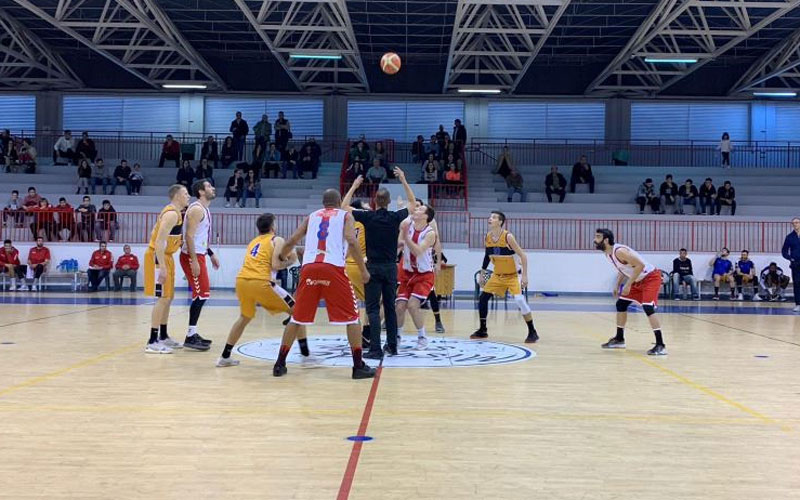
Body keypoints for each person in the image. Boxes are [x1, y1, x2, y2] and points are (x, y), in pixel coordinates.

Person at [271, 188, 374, 379]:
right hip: (333, 268)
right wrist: (363, 270)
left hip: (310, 268)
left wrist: (282, 255)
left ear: (323, 202)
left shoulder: (312, 216)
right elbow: (351, 240)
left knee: (297, 318)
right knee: (352, 318)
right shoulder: (345, 216)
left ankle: (279, 364)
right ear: (340, 201)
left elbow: (293, 239)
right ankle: (358, 365)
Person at [216, 213, 312, 368]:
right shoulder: (277, 239)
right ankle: (306, 356)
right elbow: (275, 265)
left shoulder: (253, 242)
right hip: (261, 282)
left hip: (242, 282)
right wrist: (291, 261)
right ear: (273, 226)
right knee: (298, 312)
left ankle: (225, 356)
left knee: (244, 318)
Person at [345, 168, 415, 358]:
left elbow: (344, 207)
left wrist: (354, 186)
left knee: (373, 309)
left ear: (375, 201)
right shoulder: (395, 217)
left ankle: (375, 349)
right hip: (391, 267)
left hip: (373, 267)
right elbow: (413, 203)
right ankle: (392, 346)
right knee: (390, 307)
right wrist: (403, 178)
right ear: (389, 202)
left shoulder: (368, 217)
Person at [595, 229, 666, 355]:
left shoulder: (620, 251)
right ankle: (619, 339)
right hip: (638, 279)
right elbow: (623, 269)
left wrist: (628, 285)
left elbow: (640, 266)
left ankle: (660, 345)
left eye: (598, 237)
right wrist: (617, 285)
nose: (595, 240)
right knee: (621, 304)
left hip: (650, 277)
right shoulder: (608, 253)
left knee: (648, 308)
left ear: (606, 240)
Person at [471, 211, 538, 343]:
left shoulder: (508, 237)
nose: (490, 219)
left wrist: (525, 276)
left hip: (513, 275)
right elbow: (487, 256)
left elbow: (523, 256)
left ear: (500, 222)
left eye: (494, 217)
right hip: (497, 275)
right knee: (483, 298)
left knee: (519, 300)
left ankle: (532, 331)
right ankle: (483, 329)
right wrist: (483, 273)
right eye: (490, 216)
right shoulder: (488, 237)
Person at [143, 184, 191, 353]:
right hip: (159, 257)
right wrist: (161, 266)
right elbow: (158, 241)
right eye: (185, 193)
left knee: (168, 297)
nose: (188, 196)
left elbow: (161, 236)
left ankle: (163, 336)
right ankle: (152, 340)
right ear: (176, 196)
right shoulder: (171, 214)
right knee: (162, 298)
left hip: (167, 256)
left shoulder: (176, 214)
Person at [179, 180, 220, 351]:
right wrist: (194, 260)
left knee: (203, 294)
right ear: (201, 192)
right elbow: (189, 237)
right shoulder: (196, 209)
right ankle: (190, 336)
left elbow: (199, 237)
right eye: (209, 186)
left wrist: (210, 254)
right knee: (200, 295)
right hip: (191, 256)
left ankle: (192, 333)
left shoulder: (204, 209)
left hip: (199, 254)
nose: (213, 188)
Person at [393, 203, 438, 351]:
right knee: (399, 307)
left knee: (413, 305)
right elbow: (401, 244)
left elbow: (418, 250)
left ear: (426, 216)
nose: (416, 210)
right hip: (407, 273)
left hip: (424, 275)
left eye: (420, 209)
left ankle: (422, 337)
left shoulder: (430, 233)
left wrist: (406, 238)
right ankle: (397, 337)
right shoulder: (408, 224)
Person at [781, 217, 800, 313]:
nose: (795, 224)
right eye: (794, 223)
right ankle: (798, 304)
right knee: (797, 283)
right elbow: (784, 251)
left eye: (797, 222)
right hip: (795, 263)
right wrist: (790, 258)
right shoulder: (789, 237)